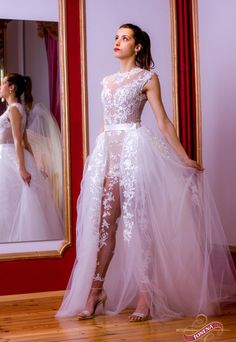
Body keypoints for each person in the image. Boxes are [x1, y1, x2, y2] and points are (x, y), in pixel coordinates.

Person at [57, 24, 236, 322]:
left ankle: (146, 294)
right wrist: (94, 159)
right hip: (108, 153)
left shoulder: (147, 78)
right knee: (105, 223)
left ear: (137, 46)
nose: (117, 41)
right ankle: (95, 291)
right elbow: (105, 123)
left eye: (125, 38)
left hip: (134, 153)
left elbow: (164, 122)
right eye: (116, 36)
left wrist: (185, 158)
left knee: (140, 224)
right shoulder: (106, 81)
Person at [0, 73, 64, 242]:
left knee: (9, 203)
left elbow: (17, 140)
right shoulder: (16, 109)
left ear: (12, 87)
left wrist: (22, 168)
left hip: (7, 156)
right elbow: (26, 142)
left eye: (3, 83)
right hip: (8, 154)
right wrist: (34, 165)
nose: (0, 87)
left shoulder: (14, 109)